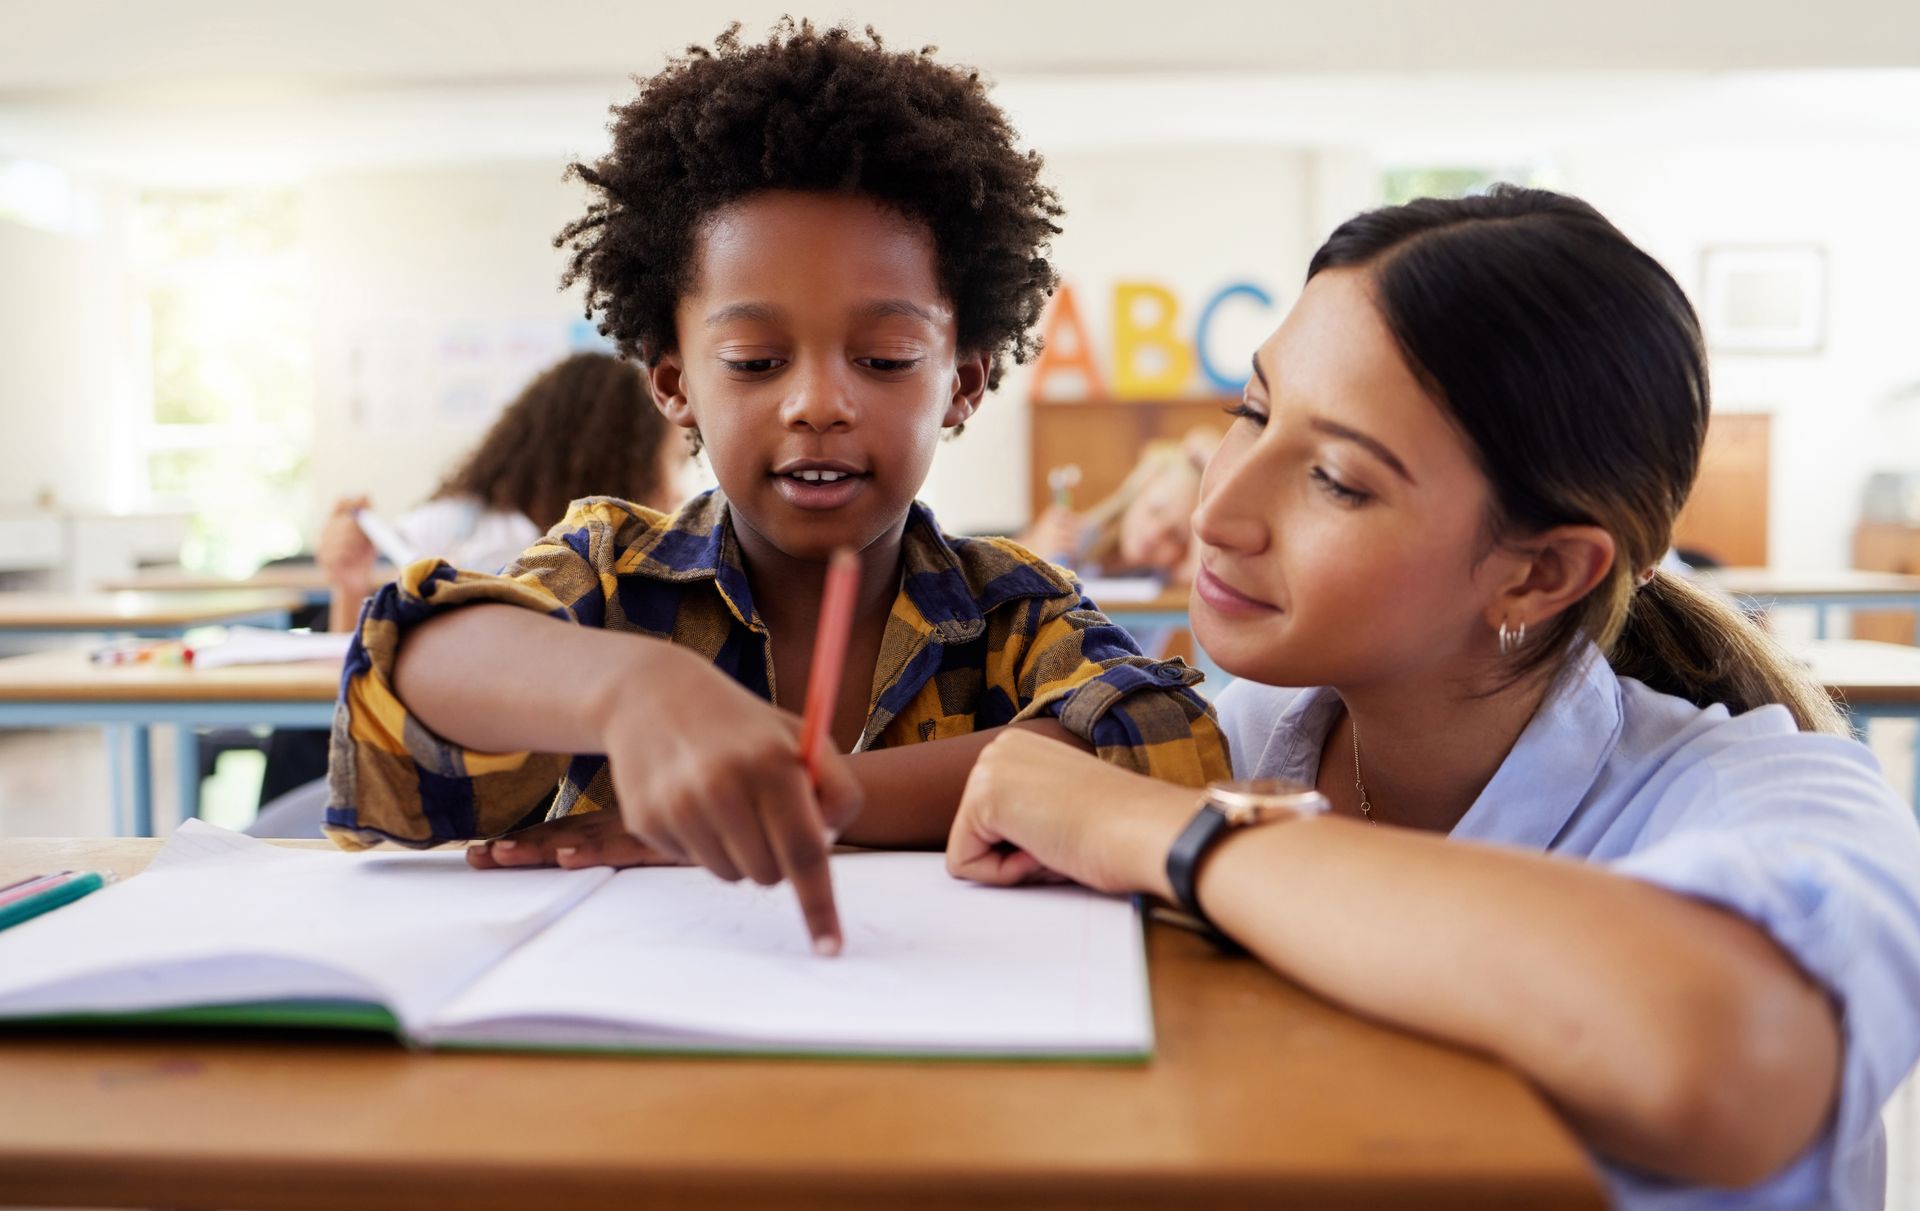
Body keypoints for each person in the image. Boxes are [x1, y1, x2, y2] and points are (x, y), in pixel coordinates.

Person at [941, 187, 1920, 1208]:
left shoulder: (1786, 796)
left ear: (1539, 574)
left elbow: (1722, 1056)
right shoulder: (1245, 735)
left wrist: (1173, 835)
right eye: (1254, 410)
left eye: (1337, 479)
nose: (1218, 510)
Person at [322, 21, 1230, 954]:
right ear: (675, 383)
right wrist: (628, 689)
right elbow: (399, 697)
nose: (819, 403)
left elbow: (1171, 748)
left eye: (885, 358)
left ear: (961, 381)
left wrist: (819, 794)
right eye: (754, 361)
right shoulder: (612, 578)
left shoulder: (1011, 611)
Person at [314, 351, 688, 636]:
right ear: (617, 462)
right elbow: (359, 675)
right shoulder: (454, 529)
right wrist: (349, 587)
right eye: (674, 464)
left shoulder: (629, 570)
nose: (677, 493)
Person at [1019, 426, 1222, 583]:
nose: (1152, 535)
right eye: (1154, 511)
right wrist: (1032, 558)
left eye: (1175, 537)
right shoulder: (1070, 538)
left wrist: (1212, 471)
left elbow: (1199, 575)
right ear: (1142, 487)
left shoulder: (1162, 579)